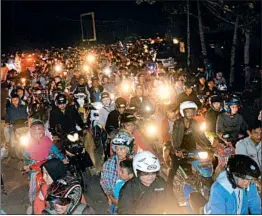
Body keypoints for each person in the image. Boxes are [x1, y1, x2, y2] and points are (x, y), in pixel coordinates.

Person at [168, 101, 211, 188]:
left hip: (191, 149)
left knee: (203, 162)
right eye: (188, 111)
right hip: (178, 149)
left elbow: (201, 135)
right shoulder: (178, 123)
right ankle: (168, 187)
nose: (190, 114)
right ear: (183, 112)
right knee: (174, 167)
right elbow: (174, 138)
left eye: (192, 111)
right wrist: (177, 150)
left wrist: (209, 145)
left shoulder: (194, 123)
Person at [100, 130, 134, 213]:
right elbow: (105, 183)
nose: (118, 152)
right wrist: (111, 198)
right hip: (115, 200)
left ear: (128, 149)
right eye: (117, 148)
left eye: (122, 149)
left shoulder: (134, 161)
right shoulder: (109, 164)